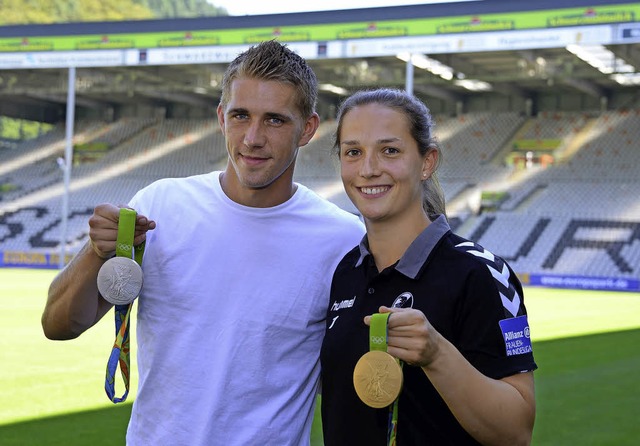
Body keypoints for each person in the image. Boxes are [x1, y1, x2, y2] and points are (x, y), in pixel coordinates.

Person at [42, 40, 365, 445]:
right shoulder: (160, 205)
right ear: (220, 117)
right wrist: (96, 253)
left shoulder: (344, 240)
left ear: (309, 129)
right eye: (240, 116)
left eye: (275, 120)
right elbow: (58, 325)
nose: (252, 137)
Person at [320, 88, 537, 445]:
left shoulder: (480, 273)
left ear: (427, 162)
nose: (369, 169)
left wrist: (437, 354)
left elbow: (517, 431)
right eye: (353, 152)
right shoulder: (344, 271)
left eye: (390, 150)